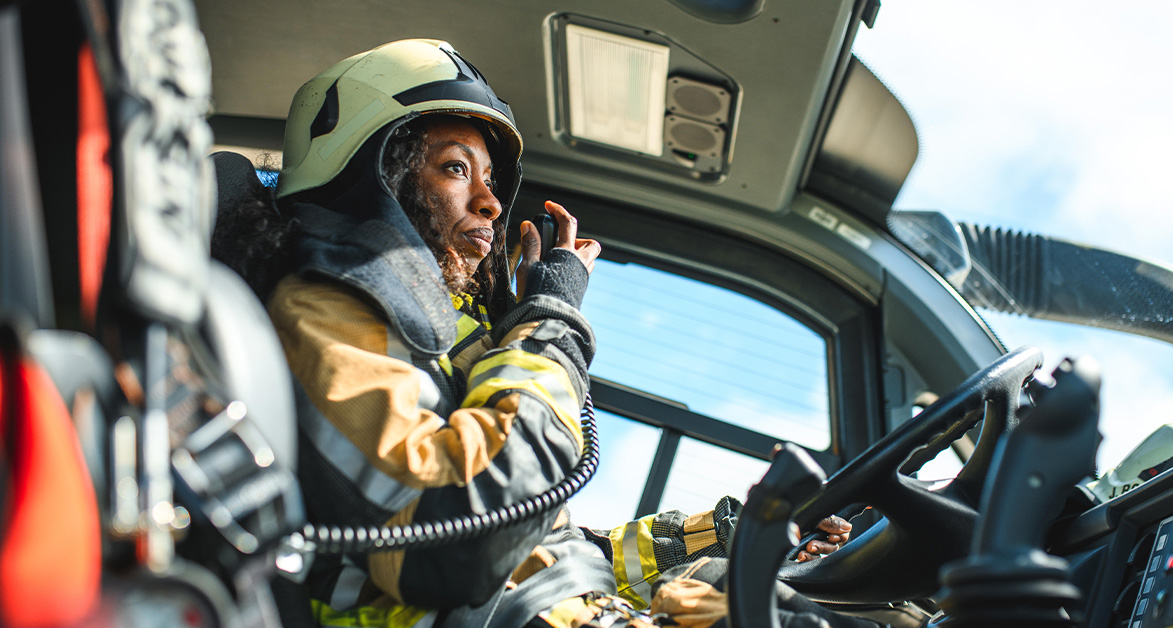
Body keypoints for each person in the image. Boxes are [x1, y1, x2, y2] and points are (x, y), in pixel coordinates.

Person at [212, 38, 862, 628]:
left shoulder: (446, 343)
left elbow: (552, 554)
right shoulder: (328, 308)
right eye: (456, 169)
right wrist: (551, 321)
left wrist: (725, 532)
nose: (492, 204)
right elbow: (456, 543)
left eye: (491, 180)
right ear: (377, 178)